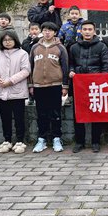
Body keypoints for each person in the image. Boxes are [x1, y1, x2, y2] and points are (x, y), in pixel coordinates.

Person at [70, 20, 108, 153]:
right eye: (85, 29)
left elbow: (105, 65)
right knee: (78, 114)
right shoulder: (74, 47)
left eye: (90, 29)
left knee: (96, 113)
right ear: (81, 31)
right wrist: (71, 71)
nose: (87, 32)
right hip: (79, 85)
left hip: (95, 85)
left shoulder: (101, 46)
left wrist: (102, 79)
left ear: (94, 31)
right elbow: (70, 63)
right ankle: (79, 142)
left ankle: (95, 142)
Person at [29, 22, 69, 153]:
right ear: (42, 31)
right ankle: (42, 139)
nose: (47, 33)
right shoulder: (35, 47)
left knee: (55, 113)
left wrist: (65, 85)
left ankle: (57, 138)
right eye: (45, 30)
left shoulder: (60, 48)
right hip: (39, 85)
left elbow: (65, 67)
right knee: (41, 113)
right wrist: (31, 85)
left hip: (55, 85)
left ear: (55, 33)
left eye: (50, 30)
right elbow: (30, 67)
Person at [0, 32, 30, 154]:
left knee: (19, 118)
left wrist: (10, 81)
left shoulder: (22, 53)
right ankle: (7, 140)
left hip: (17, 91)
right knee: (5, 118)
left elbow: (26, 71)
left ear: (15, 40)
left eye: (10, 39)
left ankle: (20, 140)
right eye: (5, 40)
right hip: (2, 92)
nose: (8, 42)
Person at [22, 22, 41, 106]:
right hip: (29, 63)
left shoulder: (43, 40)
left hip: (40, 63)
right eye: (32, 29)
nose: (34, 31)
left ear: (40, 30)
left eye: (36, 29)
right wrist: (33, 41)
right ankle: (31, 97)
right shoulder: (26, 41)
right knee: (30, 81)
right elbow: (27, 49)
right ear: (29, 30)